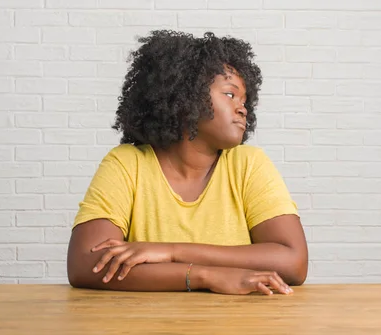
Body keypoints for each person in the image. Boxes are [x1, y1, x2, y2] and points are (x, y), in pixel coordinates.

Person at [67, 30, 308, 296]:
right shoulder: (127, 164)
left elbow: (294, 262)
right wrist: (205, 275)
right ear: (185, 97)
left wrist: (172, 252)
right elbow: (85, 264)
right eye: (230, 95)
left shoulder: (248, 164)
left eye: (245, 100)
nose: (243, 108)